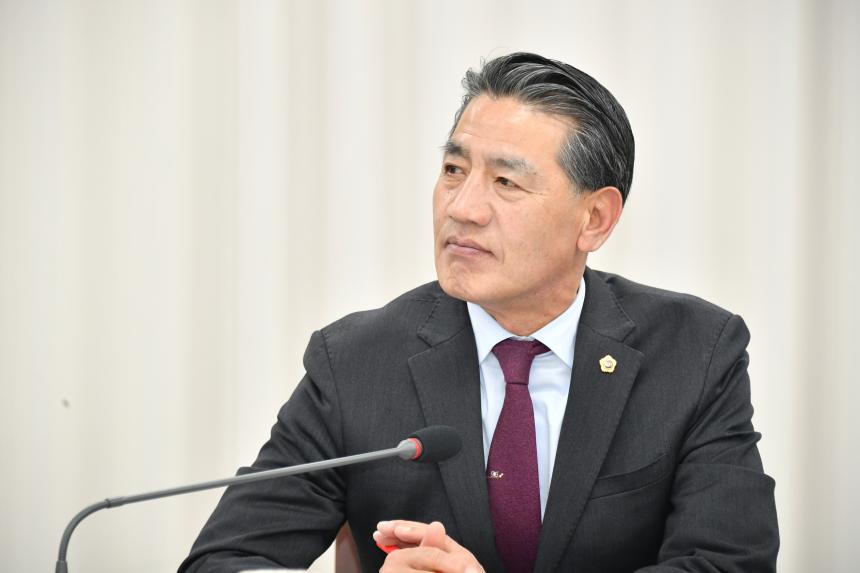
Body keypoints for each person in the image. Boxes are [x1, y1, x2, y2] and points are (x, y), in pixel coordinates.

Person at [179, 52, 779, 573]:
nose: (462, 208)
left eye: (506, 183)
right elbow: (222, 561)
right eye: (453, 171)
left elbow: (729, 562)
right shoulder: (356, 362)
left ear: (594, 219)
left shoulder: (695, 352)